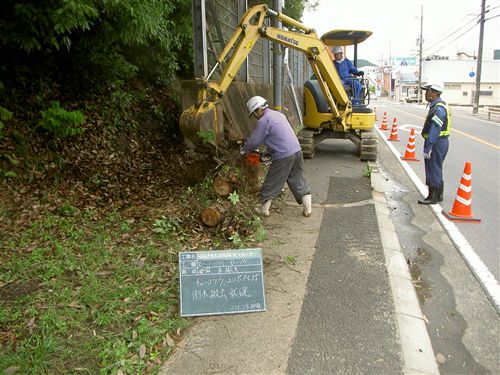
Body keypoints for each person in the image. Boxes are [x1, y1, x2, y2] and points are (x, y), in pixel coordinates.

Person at [240, 96, 312, 217]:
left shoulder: (264, 120)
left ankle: (264, 209)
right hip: (297, 151)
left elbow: (254, 141)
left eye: (253, 113)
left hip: (284, 156)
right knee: (297, 179)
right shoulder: (278, 115)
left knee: (272, 181)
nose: (254, 116)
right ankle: (308, 209)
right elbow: (279, 137)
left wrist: (243, 149)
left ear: (258, 110)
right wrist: (269, 152)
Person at [418, 82, 451, 205]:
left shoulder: (438, 109)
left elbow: (435, 129)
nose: (425, 94)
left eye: (428, 91)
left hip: (436, 142)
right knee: (437, 167)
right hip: (440, 142)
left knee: (432, 168)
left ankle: (432, 197)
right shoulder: (439, 105)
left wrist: (428, 147)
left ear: (434, 93)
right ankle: (439, 195)